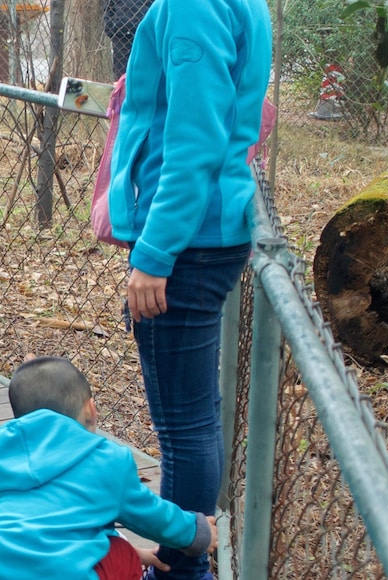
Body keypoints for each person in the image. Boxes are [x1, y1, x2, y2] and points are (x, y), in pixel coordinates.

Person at [107, 1, 272, 578]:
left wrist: (154, 255)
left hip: (187, 240)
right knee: (193, 419)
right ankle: (186, 560)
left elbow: (194, 140)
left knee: (184, 428)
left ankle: (182, 567)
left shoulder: (194, 5)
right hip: (206, 229)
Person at [0, 356, 218, 580]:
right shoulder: (107, 460)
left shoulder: (11, 455)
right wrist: (196, 532)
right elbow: (152, 516)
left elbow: (45, 528)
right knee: (121, 553)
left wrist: (142, 554)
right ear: (91, 409)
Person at [103, 0, 154, 81]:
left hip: (145, 36)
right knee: (122, 76)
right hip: (121, 37)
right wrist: (111, 28)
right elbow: (108, 7)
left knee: (146, 75)